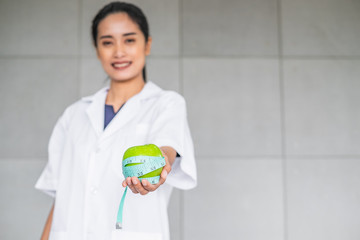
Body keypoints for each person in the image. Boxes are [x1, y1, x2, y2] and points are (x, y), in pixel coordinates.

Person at [35, 2, 197, 240]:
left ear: (147, 44)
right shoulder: (74, 114)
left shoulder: (166, 103)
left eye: (129, 40)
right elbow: (62, 195)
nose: (119, 52)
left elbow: (167, 147)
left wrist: (160, 164)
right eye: (107, 42)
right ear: (97, 48)